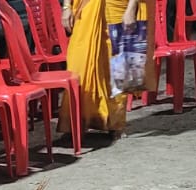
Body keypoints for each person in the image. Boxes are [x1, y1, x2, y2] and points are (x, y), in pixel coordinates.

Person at [62, 0, 157, 135]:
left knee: (118, 65)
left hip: (118, 7)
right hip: (86, 7)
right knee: (80, 60)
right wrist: (67, 7)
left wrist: (131, 8)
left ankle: (116, 123)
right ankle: (79, 119)